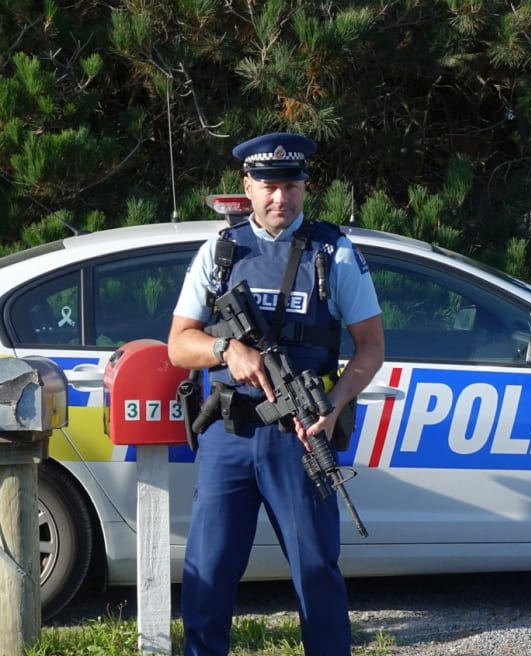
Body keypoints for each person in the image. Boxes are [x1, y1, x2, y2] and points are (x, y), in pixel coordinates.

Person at [168, 132, 384, 656]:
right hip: (231, 436)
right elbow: (179, 344)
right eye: (268, 187)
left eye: (290, 185)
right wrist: (228, 351)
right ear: (248, 186)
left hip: (302, 437)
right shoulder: (220, 252)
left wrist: (332, 409)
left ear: (306, 187)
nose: (279, 199)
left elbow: (371, 348)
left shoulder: (335, 252)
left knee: (316, 571)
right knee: (209, 575)